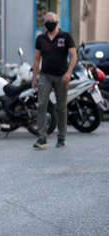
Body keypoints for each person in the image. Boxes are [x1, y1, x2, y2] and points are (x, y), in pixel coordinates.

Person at [32, 12, 77, 149]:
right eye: (46, 21)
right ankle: (41, 137)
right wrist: (34, 77)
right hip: (45, 75)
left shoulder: (66, 36)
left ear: (57, 22)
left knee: (61, 107)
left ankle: (61, 137)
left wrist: (69, 73)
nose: (49, 23)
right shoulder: (41, 38)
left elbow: (73, 56)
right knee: (41, 105)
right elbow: (37, 58)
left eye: (51, 20)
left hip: (61, 76)